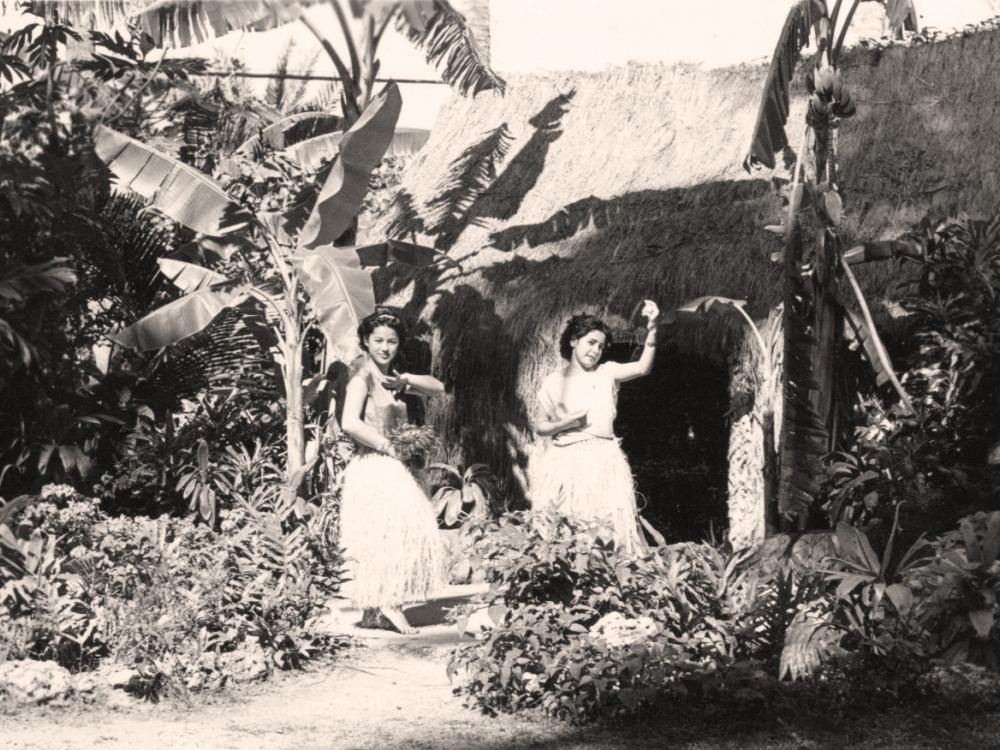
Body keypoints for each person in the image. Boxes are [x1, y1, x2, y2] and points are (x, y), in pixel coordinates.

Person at [338, 307, 447, 634]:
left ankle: (376, 608)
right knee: (391, 533)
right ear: (366, 342)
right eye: (378, 341)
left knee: (401, 532)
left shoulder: (394, 377)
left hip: (393, 466)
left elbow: (438, 388)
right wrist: (387, 447)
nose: (385, 347)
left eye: (392, 342)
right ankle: (389, 603)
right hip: (375, 465)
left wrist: (407, 380)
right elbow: (349, 422)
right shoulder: (362, 377)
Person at [530, 300, 662, 555]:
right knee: (569, 525)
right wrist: (567, 423)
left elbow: (643, 367)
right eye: (590, 342)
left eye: (601, 346)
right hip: (565, 462)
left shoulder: (607, 373)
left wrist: (653, 327)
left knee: (608, 526)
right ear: (573, 342)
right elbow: (540, 427)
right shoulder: (552, 382)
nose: (596, 351)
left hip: (604, 460)